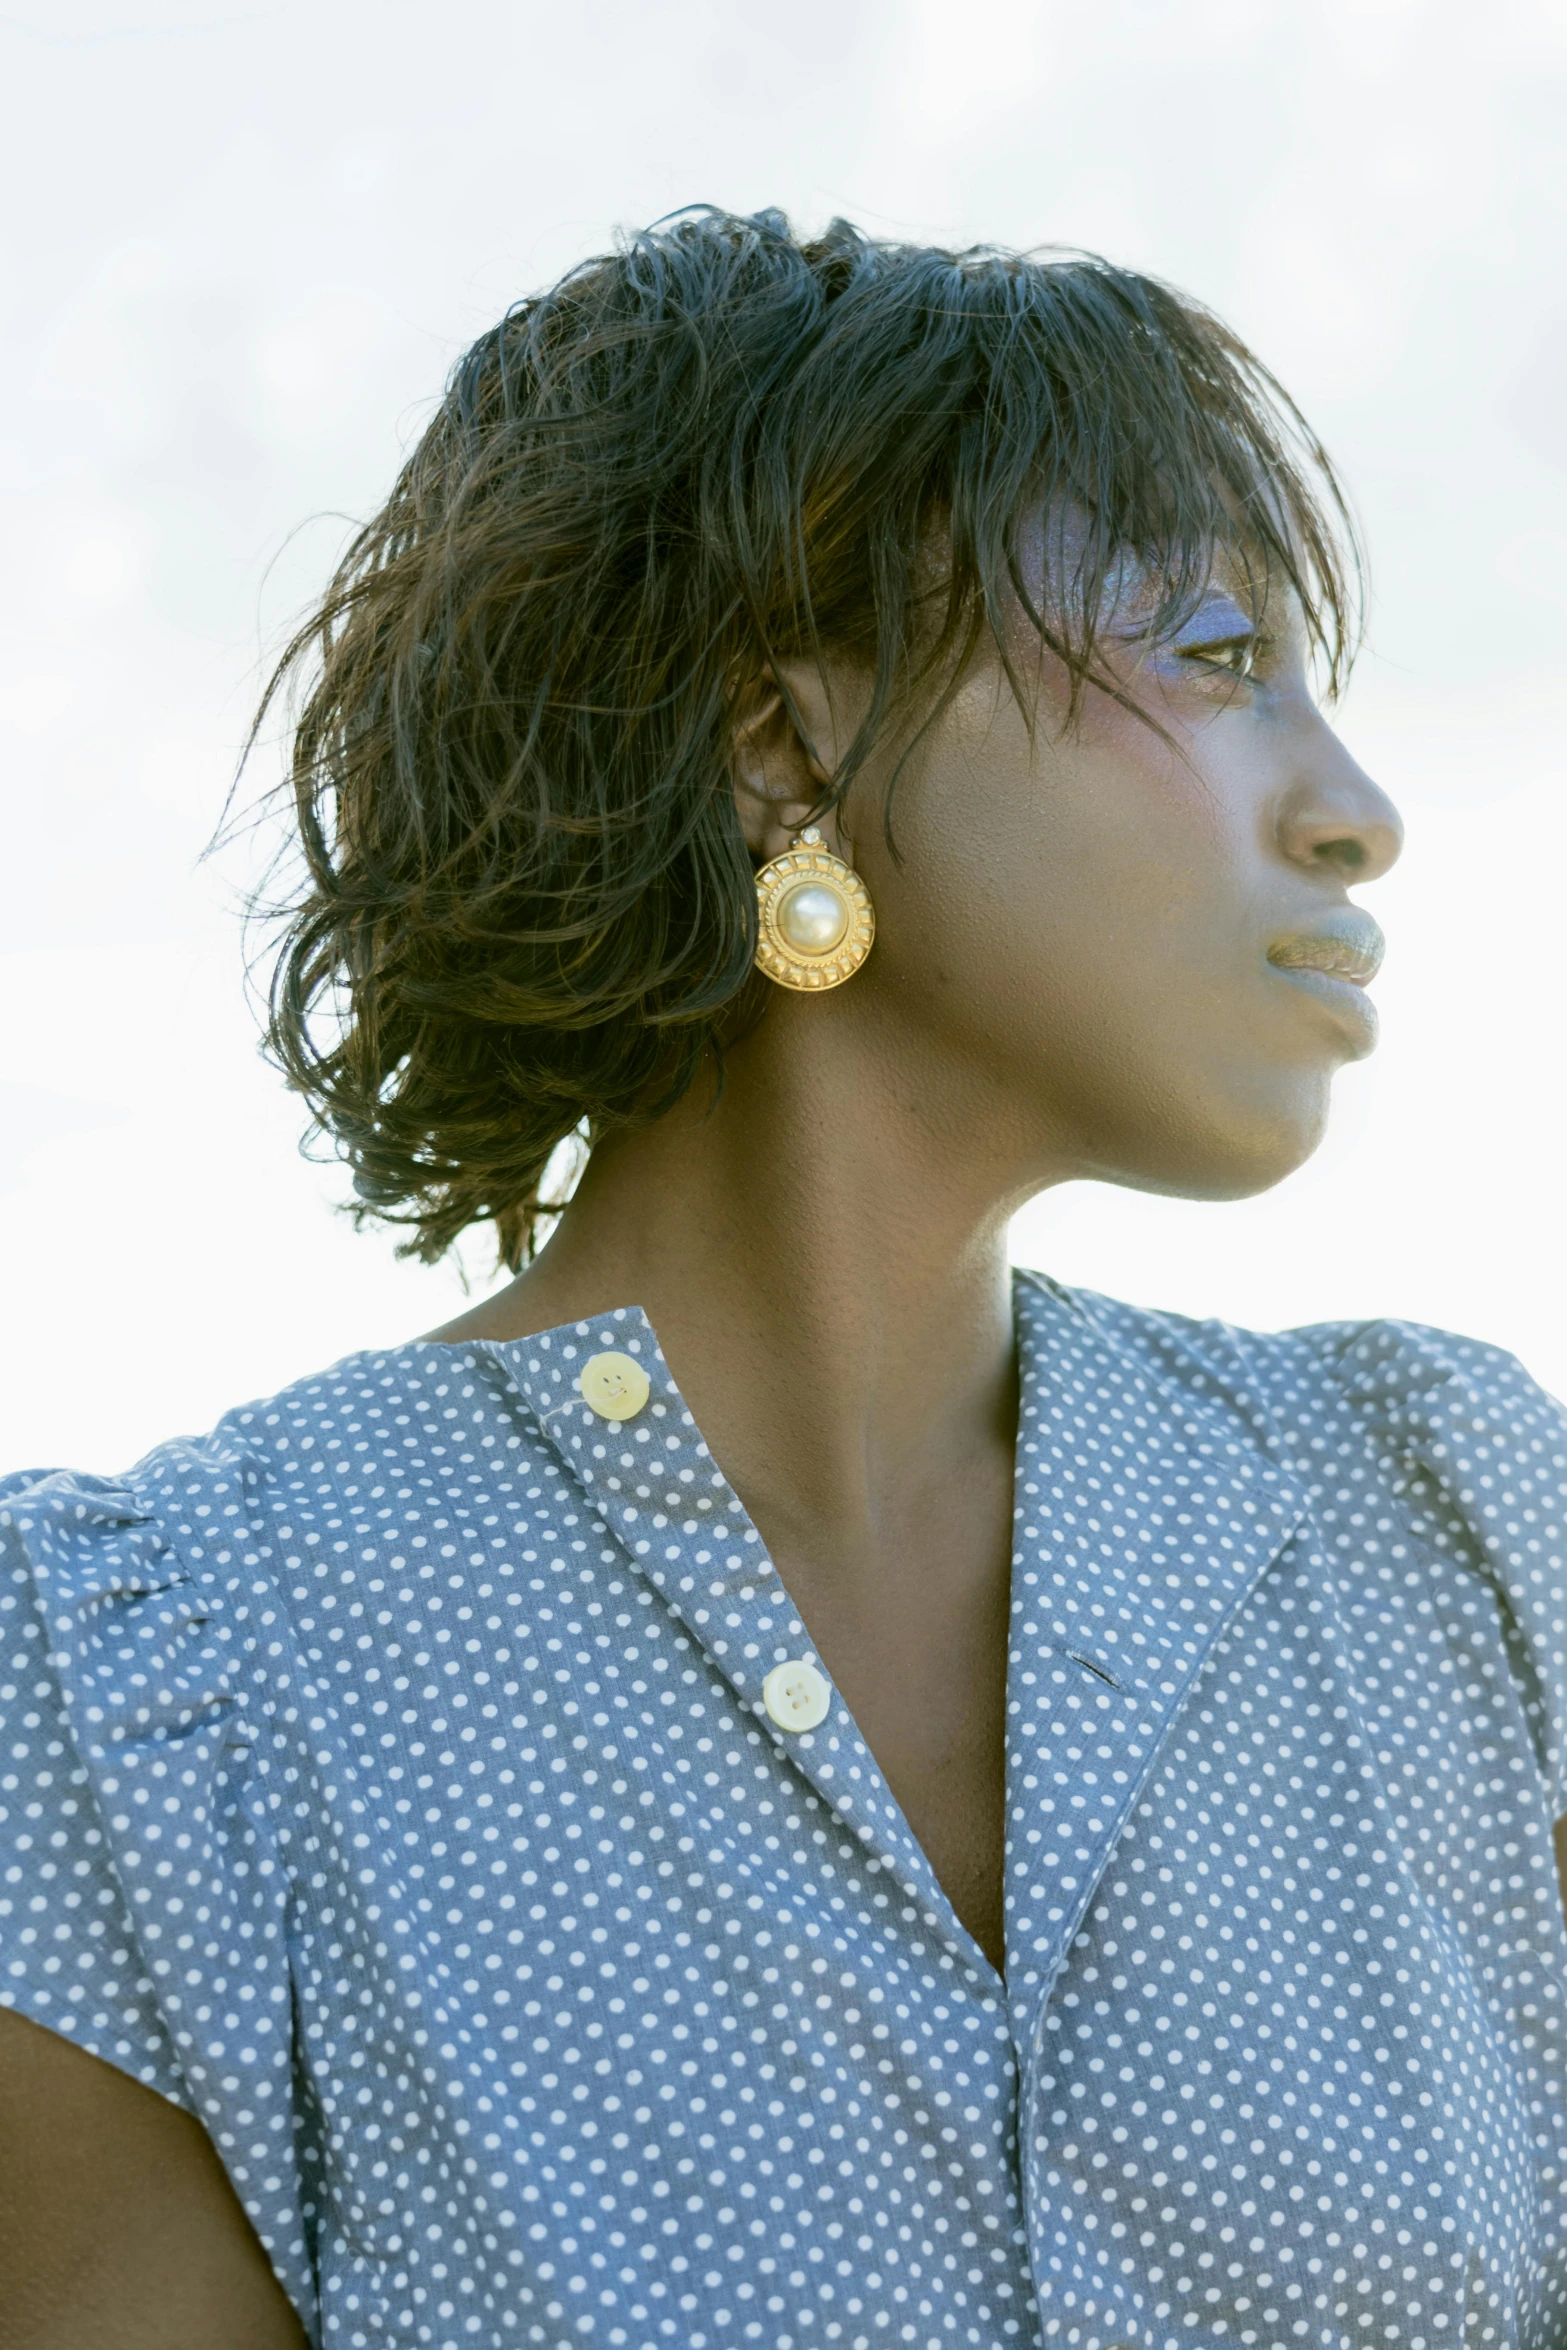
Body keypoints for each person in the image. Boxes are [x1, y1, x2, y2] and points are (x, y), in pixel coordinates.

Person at [1, 206, 1563, 2350]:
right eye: (1216, 651)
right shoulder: (160, 1701)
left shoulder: (1457, 1543)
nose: (1358, 811)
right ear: (785, 743)